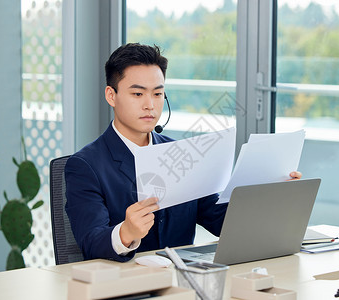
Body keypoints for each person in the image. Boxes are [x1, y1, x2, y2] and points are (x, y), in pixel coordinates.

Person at [65, 43, 302, 262]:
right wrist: (125, 233)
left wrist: (272, 194)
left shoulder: (182, 154)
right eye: (138, 94)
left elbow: (222, 222)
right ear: (111, 95)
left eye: (157, 94)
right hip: (125, 287)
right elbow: (91, 243)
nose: (150, 104)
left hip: (184, 282)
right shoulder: (85, 166)